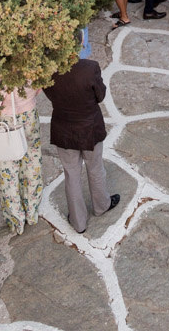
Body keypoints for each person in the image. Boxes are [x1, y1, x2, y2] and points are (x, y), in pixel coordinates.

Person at [43, 56, 121, 235]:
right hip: (89, 129)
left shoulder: (50, 70)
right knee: (95, 168)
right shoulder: (90, 67)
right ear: (80, 42)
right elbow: (100, 96)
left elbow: (49, 95)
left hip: (64, 129)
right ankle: (101, 206)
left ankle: (78, 222)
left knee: (71, 174)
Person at [0, 85, 44, 236]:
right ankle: (31, 210)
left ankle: (16, 219)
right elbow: (39, 84)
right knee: (32, 162)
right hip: (29, 113)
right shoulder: (30, 63)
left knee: (8, 170)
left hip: (5, 118)